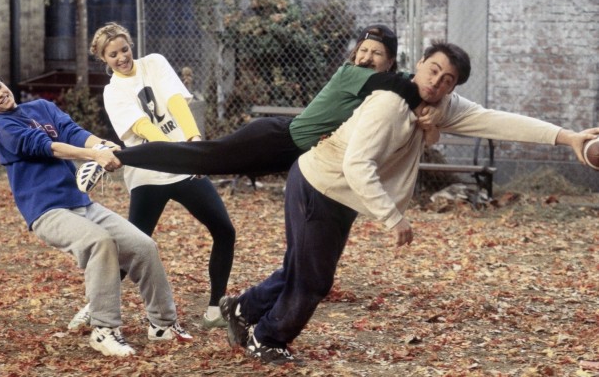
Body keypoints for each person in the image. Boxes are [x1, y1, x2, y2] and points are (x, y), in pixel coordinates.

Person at [216, 41, 599, 365]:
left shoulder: (441, 106)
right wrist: (393, 217)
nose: (437, 81)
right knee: (313, 278)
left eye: (447, 79)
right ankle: (268, 338)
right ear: (419, 63)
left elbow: (496, 120)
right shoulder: (389, 104)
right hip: (320, 185)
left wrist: (568, 137)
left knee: (302, 267)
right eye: (433, 70)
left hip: (338, 193)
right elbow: (357, 165)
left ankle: (243, 309)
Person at [0, 69, 193, 357]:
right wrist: (94, 155)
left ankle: (163, 324)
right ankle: (104, 330)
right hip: (47, 211)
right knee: (100, 242)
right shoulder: (3, 128)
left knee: (143, 246)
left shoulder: (41, 107)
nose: (0, 95)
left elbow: (72, 132)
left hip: (81, 203)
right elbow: (49, 147)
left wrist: (101, 145)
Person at [94, 24, 441, 178]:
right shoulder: (354, 73)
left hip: (295, 156)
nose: (366, 57)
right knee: (202, 157)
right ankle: (117, 156)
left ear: (390, 60)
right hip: (276, 138)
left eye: (376, 53)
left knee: (201, 161)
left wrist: (429, 109)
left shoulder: (383, 89)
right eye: (363, 50)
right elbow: (405, 87)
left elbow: (406, 87)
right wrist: (428, 98)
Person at [81, 22, 237, 329]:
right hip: (148, 173)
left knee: (224, 230)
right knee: (134, 247)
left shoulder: (154, 63)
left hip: (184, 167)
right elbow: (143, 127)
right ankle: (93, 306)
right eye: (113, 54)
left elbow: (176, 103)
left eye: (124, 49)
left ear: (131, 45)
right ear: (103, 58)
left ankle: (214, 310)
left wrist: (193, 142)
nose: (122, 57)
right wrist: (180, 154)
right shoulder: (113, 92)